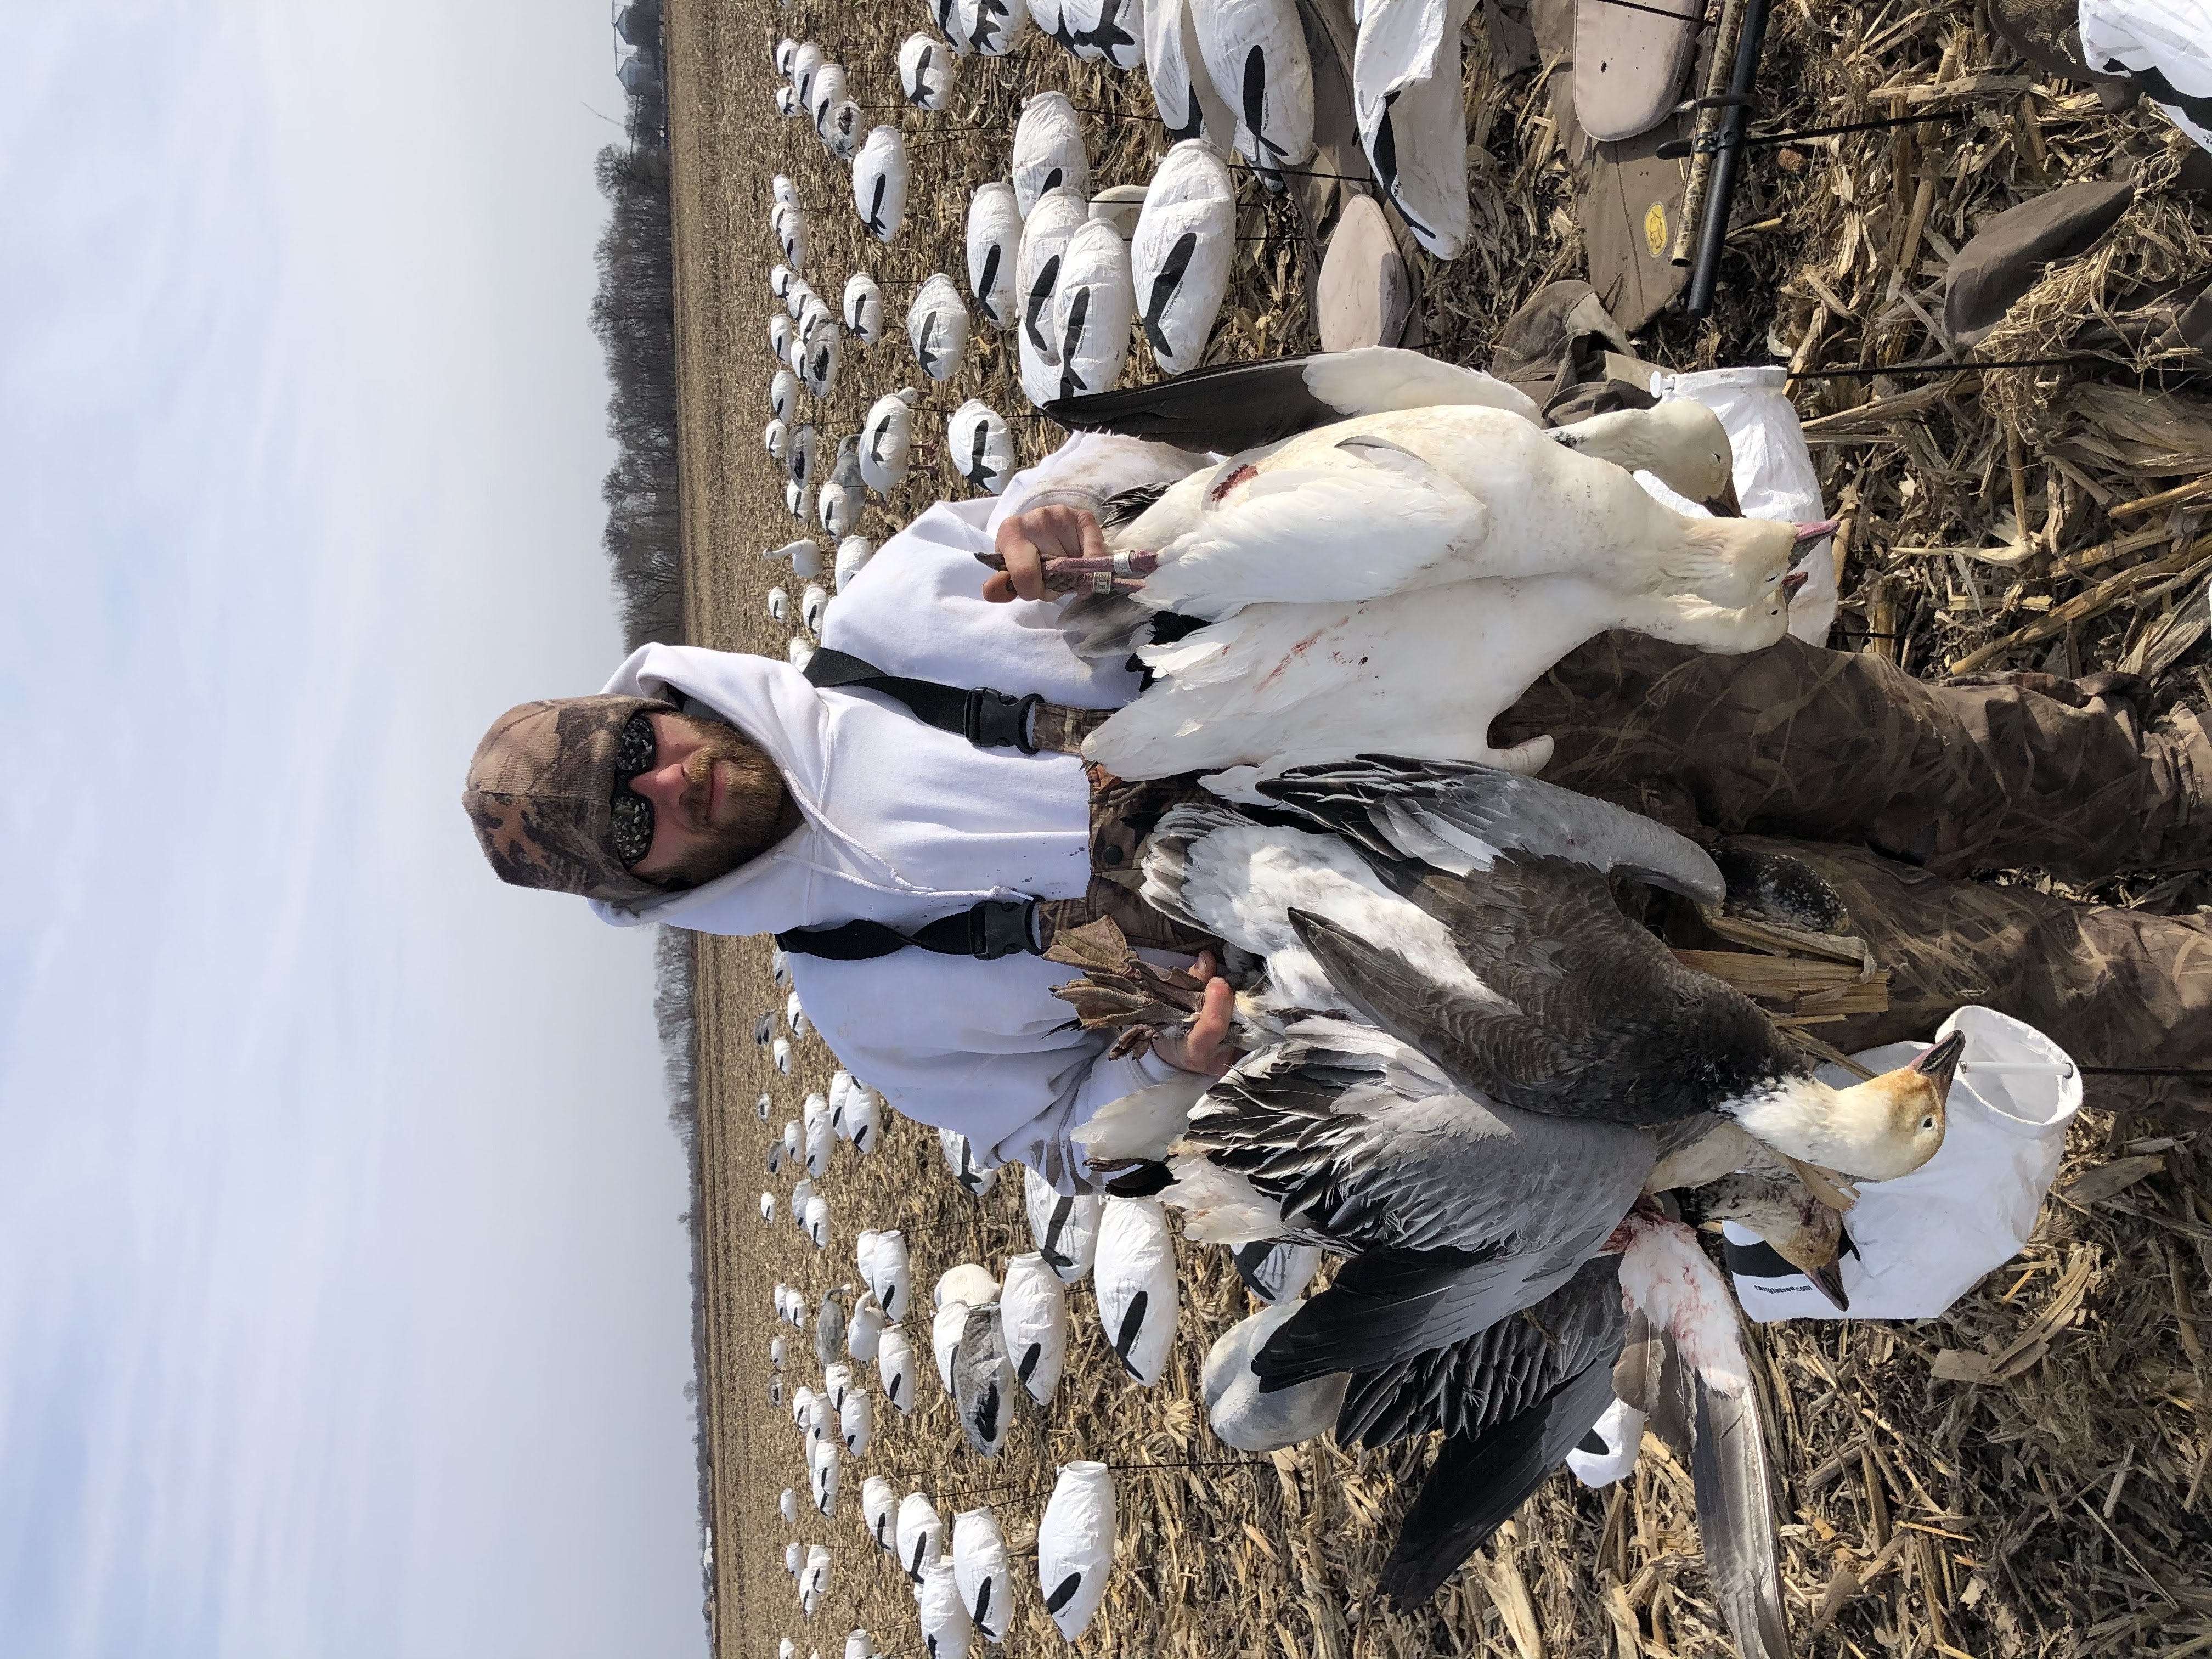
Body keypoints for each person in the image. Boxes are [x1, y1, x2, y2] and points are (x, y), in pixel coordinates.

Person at [466, 435, 2212, 1184]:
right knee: (1931, 979)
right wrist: (1172, 1070)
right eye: (633, 826)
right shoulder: (870, 1003)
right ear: (643, 891)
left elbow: (1183, 493)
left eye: (635, 747)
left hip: (1546, 697)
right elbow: (1066, 1138)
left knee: (1919, 747)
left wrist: (1077, 517)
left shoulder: (896, 612)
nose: (669, 783)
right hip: (1509, 942)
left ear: (652, 693)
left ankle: (2172, 784)